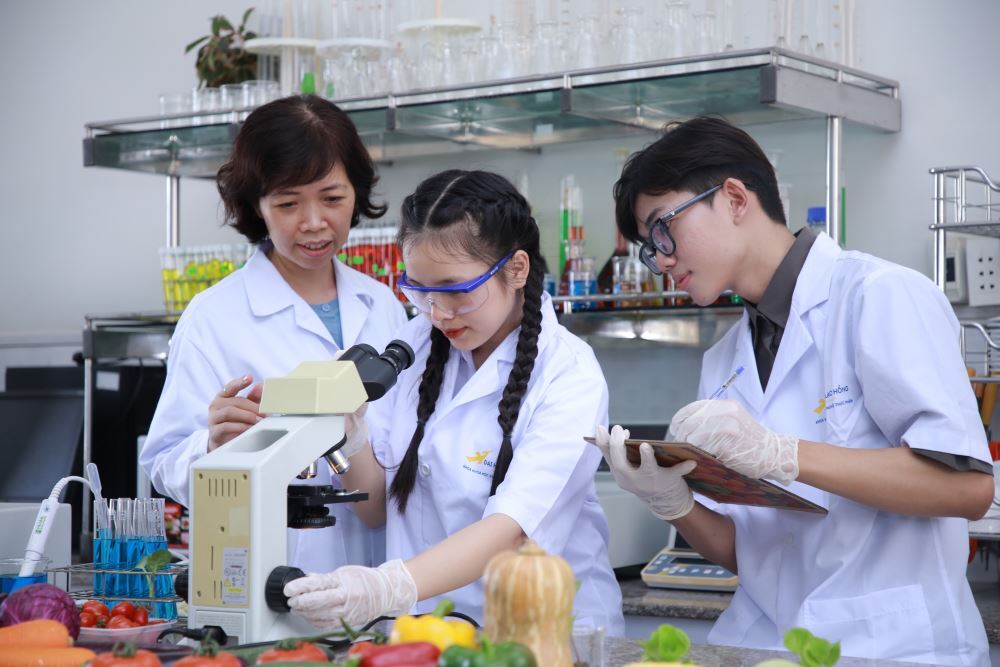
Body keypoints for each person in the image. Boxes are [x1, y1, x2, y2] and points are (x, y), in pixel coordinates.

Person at [596, 116, 995, 665]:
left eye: (663, 228)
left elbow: (967, 489)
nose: (660, 259)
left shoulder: (879, 296)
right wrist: (672, 502)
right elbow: (749, 552)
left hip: (889, 647)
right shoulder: (725, 361)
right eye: (649, 247)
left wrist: (783, 454)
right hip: (763, 645)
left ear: (735, 198)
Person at [283, 169, 625, 635]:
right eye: (421, 291)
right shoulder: (416, 343)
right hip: (425, 632)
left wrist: (387, 586)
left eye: (456, 290)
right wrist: (350, 437)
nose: (439, 313)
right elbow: (376, 509)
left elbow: (511, 529)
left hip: (538, 634)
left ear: (516, 269)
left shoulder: (568, 372)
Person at [140, 95, 406, 572]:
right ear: (257, 206)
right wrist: (212, 446)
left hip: (380, 571)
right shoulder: (214, 316)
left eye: (332, 198)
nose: (314, 222)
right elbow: (162, 461)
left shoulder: (382, 303)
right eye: (288, 203)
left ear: (357, 193)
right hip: (270, 565)